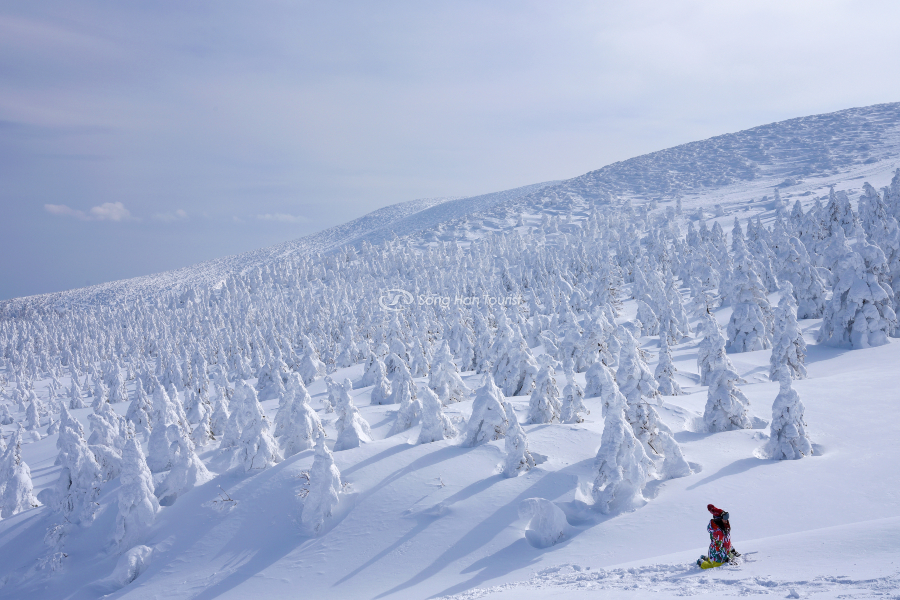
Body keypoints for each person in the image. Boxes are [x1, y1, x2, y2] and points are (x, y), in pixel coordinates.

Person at [697, 504, 740, 569]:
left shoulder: (724, 526)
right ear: (719, 519)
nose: (727, 519)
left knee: (731, 557)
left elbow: (727, 540)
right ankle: (701, 562)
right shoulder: (717, 532)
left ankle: (706, 558)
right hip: (718, 555)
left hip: (725, 552)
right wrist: (726, 558)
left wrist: (732, 550)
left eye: (727, 516)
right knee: (715, 566)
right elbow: (718, 547)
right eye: (725, 517)